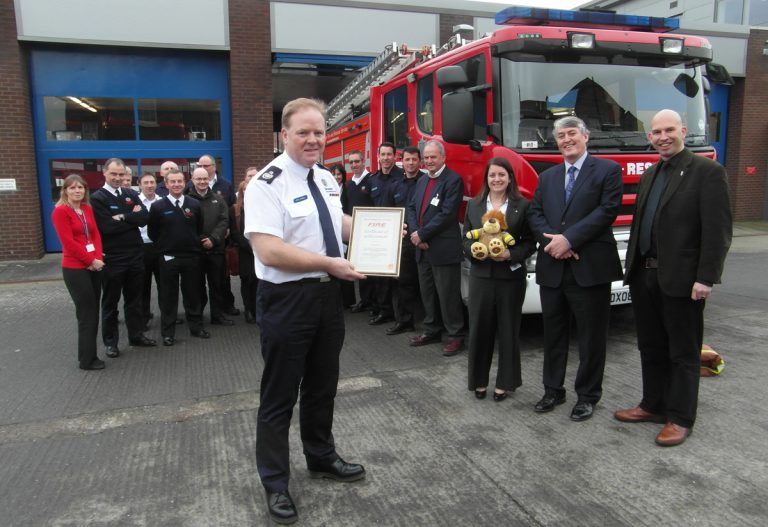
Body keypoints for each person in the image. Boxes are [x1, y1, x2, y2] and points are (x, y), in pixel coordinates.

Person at [245, 97, 366, 525]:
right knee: (279, 396)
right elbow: (269, 249)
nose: (314, 139)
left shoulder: (326, 179)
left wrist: (383, 226)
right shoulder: (266, 183)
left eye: (319, 132)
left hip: (327, 298)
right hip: (287, 301)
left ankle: (320, 456)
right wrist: (329, 263)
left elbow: (337, 224)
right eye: (304, 132)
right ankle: (275, 483)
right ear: (285, 135)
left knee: (322, 385)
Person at [614, 109, 733, 446]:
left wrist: (706, 278)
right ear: (649, 137)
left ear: (682, 130)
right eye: (656, 132)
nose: (662, 137)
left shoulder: (708, 172)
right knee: (650, 346)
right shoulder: (652, 173)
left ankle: (680, 418)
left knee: (683, 352)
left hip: (683, 280)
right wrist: (631, 269)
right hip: (644, 275)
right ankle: (652, 404)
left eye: (669, 130)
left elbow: (718, 231)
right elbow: (642, 223)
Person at [527, 116, 623, 421]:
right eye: (561, 136)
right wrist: (552, 244)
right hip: (553, 267)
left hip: (590, 267)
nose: (566, 139)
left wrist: (569, 240)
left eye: (571, 134)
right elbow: (535, 214)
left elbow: (607, 211)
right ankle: (553, 389)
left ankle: (587, 396)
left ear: (586, 137)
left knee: (591, 337)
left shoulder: (607, 171)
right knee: (552, 333)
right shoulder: (548, 177)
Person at [463, 158, 536, 401]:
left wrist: (510, 254)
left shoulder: (522, 206)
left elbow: (529, 242)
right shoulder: (474, 205)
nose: (497, 179)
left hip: (510, 278)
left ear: (509, 178)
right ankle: (479, 381)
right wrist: (474, 251)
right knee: (479, 330)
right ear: (486, 178)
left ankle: (505, 383)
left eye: (501, 175)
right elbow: (465, 238)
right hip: (481, 276)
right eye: (492, 175)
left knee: (508, 331)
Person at [405, 140, 466, 356]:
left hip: (443, 249)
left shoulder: (453, 180)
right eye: (426, 157)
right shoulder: (422, 181)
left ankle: (455, 335)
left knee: (448, 295)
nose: (429, 161)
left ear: (443, 158)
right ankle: (431, 329)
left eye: (433, 157)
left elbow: (447, 214)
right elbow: (411, 207)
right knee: (428, 293)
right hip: (423, 248)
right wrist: (416, 235)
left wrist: (422, 234)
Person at [91, 158, 156, 357]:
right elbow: (106, 227)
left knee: (134, 300)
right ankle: (111, 342)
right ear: (104, 173)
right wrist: (131, 217)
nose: (118, 178)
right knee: (110, 302)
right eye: (114, 174)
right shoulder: (97, 198)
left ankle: (136, 335)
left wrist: (123, 217)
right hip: (113, 258)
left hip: (135, 255)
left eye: (121, 175)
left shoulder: (130, 194)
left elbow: (145, 217)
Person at [148, 168, 210, 346]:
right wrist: (164, 246)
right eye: (172, 182)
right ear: (166, 184)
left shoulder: (194, 204)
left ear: (185, 183)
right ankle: (168, 333)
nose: (176, 184)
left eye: (179, 181)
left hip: (191, 256)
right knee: (168, 296)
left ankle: (196, 328)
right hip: (168, 258)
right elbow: (153, 232)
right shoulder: (158, 207)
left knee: (193, 294)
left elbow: (199, 228)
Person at [51, 174, 106, 370]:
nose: (77, 191)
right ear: (65, 190)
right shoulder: (60, 212)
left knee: (93, 311)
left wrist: (98, 258)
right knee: (86, 313)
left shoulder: (86, 209)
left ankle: (89, 354)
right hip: (75, 268)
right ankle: (87, 360)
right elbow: (68, 243)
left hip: (94, 265)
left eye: (80, 188)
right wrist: (90, 260)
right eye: (73, 188)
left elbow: (95, 234)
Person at [188, 167, 233, 326]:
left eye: (204, 179)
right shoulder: (187, 200)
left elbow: (224, 221)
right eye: (198, 179)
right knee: (196, 285)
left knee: (217, 284)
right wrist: (201, 240)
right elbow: (187, 225)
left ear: (209, 179)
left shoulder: (218, 199)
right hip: (196, 251)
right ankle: (197, 315)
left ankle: (217, 315)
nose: (202, 182)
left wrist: (213, 239)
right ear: (192, 180)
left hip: (216, 250)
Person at [387, 146, 424, 335]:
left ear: (420, 161)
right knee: (403, 282)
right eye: (407, 159)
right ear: (402, 161)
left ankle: (429, 323)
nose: (410, 163)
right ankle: (404, 320)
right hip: (402, 241)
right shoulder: (395, 185)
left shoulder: (426, 183)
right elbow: (389, 212)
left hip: (424, 240)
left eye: (414, 159)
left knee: (426, 284)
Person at [368, 142, 405, 326]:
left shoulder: (402, 178)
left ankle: (401, 316)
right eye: (383, 154)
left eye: (389, 154)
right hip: (379, 235)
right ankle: (384, 311)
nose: (386, 158)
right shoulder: (373, 179)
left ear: (395, 156)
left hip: (398, 234)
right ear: (378, 156)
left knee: (398, 279)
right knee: (380, 276)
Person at [343, 149, 375, 314]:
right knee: (359, 269)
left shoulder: (372, 181)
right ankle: (364, 300)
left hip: (371, 234)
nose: (354, 165)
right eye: (352, 162)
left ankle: (374, 303)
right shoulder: (348, 185)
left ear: (364, 162)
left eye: (357, 161)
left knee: (373, 269)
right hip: (355, 233)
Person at [230, 167, 260, 323]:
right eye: (246, 190)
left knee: (259, 282)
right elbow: (235, 233)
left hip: (260, 252)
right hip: (245, 252)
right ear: (242, 192)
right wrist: (250, 247)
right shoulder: (235, 210)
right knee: (247, 282)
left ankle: (258, 310)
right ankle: (248, 309)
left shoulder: (262, 208)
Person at [138, 173, 163, 330]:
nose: (149, 185)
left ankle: (167, 315)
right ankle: (143, 317)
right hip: (141, 247)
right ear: (139, 185)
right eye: (145, 182)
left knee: (164, 284)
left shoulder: (162, 202)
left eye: (152, 182)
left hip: (159, 246)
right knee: (142, 285)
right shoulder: (135, 202)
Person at [330, 163, 357, 309]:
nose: (336, 177)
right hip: (334, 232)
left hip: (345, 229)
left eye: (339, 174)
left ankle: (348, 300)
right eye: (334, 174)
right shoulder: (326, 190)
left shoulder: (347, 188)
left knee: (346, 264)